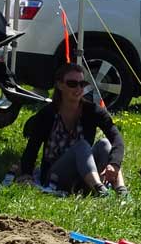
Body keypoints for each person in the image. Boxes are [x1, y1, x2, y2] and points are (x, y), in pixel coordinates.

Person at [16, 62, 127, 196]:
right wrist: (27, 174)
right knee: (82, 146)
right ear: (59, 85)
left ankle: (121, 191)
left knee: (104, 143)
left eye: (82, 84)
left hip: (85, 175)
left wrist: (114, 164)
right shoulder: (47, 114)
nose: (78, 88)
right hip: (55, 175)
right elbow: (32, 148)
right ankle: (100, 190)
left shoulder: (93, 111)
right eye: (72, 84)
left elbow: (116, 138)